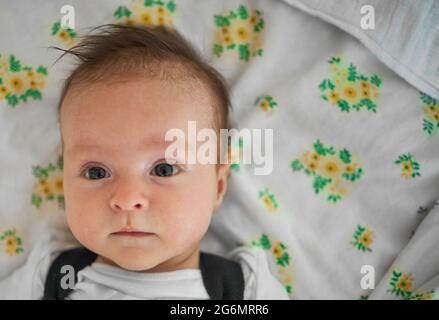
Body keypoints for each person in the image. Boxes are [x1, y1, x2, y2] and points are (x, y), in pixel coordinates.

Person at [0, 24, 289, 300]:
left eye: (163, 169)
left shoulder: (244, 289)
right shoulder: (51, 274)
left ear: (218, 186)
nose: (127, 199)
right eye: (96, 171)